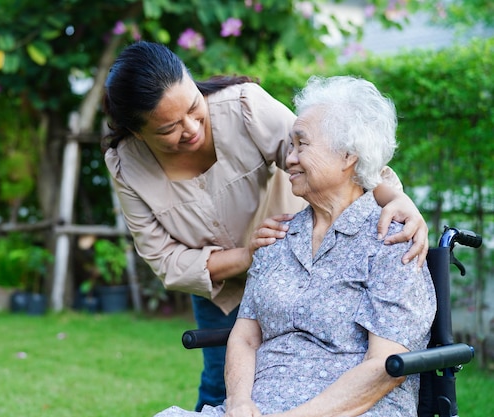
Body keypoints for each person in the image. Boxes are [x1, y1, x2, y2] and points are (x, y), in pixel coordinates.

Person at [103, 41, 429, 411]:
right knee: (218, 383)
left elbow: (330, 148)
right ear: (139, 133)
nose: (191, 128)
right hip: (249, 270)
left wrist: (398, 199)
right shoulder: (127, 164)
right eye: (168, 129)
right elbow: (167, 262)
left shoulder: (241, 107)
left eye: (195, 108)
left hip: (301, 262)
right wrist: (250, 255)